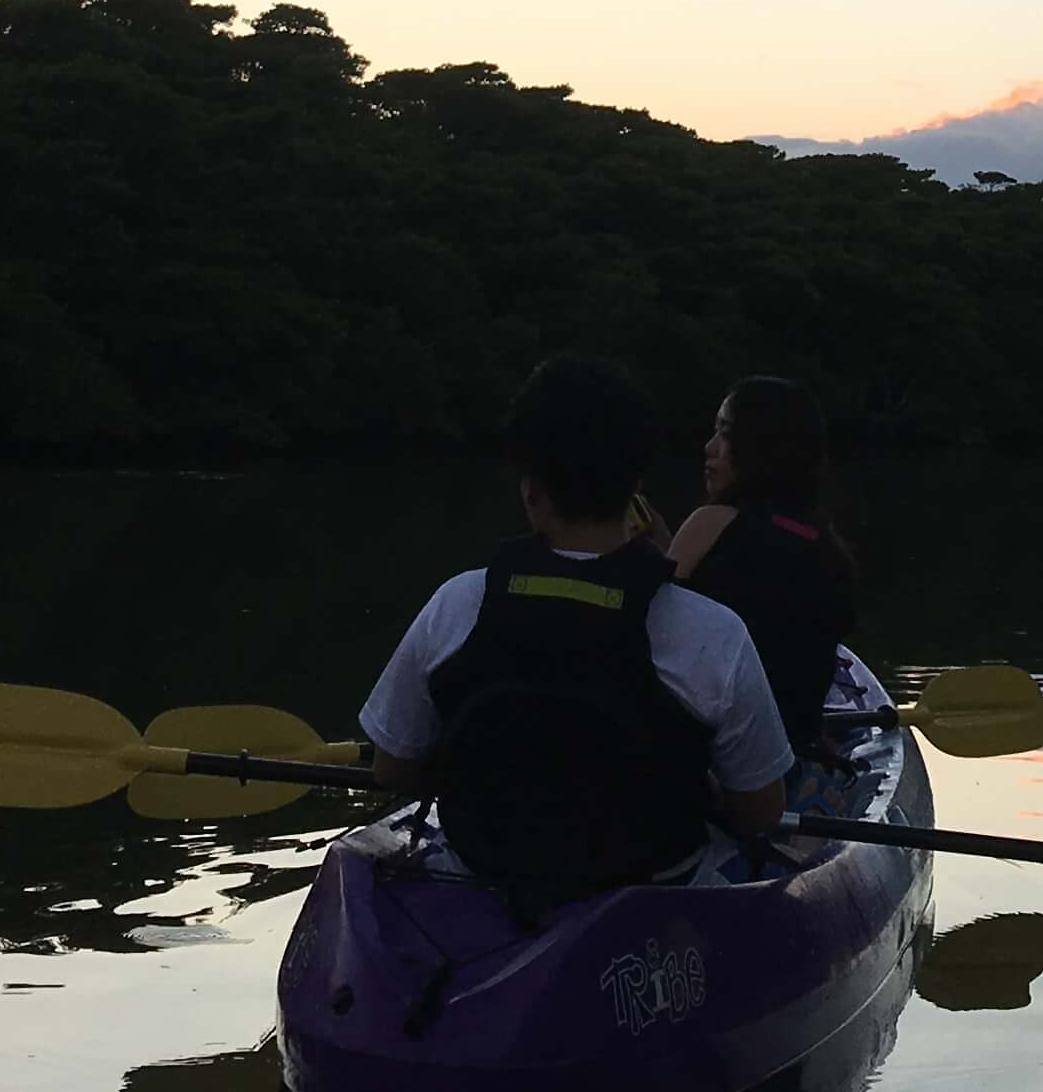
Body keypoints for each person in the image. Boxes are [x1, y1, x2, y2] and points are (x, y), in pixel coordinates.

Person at [357, 355, 793, 919]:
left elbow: (391, 769)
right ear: (636, 485)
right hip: (653, 889)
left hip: (481, 877)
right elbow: (760, 812)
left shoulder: (458, 603)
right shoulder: (712, 631)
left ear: (530, 490)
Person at [664, 376, 861, 752]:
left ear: (757, 446)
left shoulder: (712, 524)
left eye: (724, 434)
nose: (709, 448)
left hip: (708, 754)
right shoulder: (829, 553)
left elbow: (652, 625)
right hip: (790, 751)